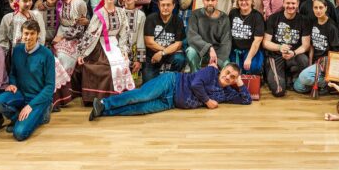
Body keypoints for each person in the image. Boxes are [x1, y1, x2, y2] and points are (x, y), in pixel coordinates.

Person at [89, 61, 250, 119]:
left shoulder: (227, 93)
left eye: (232, 77)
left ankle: (103, 112)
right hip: (172, 82)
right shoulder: (211, 72)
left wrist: (240, 83)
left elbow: (246, 100)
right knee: (142, 96)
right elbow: (195, 84)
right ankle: (104, 103)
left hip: (170, 102)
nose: (228, 77)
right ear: (222, 70)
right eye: (227, 72)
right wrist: (207, 101)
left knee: (140, 109)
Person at [0, 19, 55, 141]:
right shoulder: (17, 50)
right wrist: (13, 84)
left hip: (37, 98)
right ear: (21, 34)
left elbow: (50, 87)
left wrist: (31, 105)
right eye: (26, 33)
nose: (28, 37)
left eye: (32, 33)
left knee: (20, 134)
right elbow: (13, 73)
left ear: (38, 34)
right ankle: (20, 118)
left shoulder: (47, 54)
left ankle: (42, 114)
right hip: (20, 94)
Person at [75, 0, 136, 105]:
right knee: (107, 68)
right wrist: (82, 53)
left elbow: (124, 32)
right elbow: (90, 34)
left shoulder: (121, 12)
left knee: (123, 64)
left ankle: (121, 97)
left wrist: (124, 50)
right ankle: (101, 98)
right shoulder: (99, 14)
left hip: (116, 44)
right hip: (100, 45)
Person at [263, 0, 311, 97]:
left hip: (294, 55)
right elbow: (265, 43)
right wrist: (279, 47)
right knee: (279, 91)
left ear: (297, 4)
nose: (290, 6)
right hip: (276, 56)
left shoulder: (304, 20)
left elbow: (306, 45)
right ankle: (278, 77)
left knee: (304, 59)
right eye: (288, 3)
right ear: (283, 3)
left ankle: (292, 78)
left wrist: (294, 53)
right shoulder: (273, 18)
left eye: (293, 3)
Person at [294, 0, 339, 95]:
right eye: (316, 8)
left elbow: (336, 51)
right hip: (315, 62)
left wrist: (329, 70)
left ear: (326, 8)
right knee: (298, 87)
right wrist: (310, 62)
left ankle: (330, 84)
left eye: (321, 7)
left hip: (325, 62)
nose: (318, 10)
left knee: (303, 77)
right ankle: (320, 84)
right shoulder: (313, 23)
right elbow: (312, 45)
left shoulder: (331, 27)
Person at [143, 0, 187, 82]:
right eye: (163, 5)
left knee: (180, 59)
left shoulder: (178, 21)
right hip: (153, 56)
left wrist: (162, 53)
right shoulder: (151, 18)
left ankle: (171, 79)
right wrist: (166, 50)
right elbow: (149, 42)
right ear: (159, 6)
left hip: (170, 55)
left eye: (168, 5)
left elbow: (178, 44)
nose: (165, 8)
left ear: (173, 6)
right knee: (148, 83)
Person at [186, 0, 231, 71]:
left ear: (217, 1)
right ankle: (195, 76)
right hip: (200, 50)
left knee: (227, 66)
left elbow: (226, 43)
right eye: (207, 0)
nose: (210, 3)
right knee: (191, 52)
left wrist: (217, 62)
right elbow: (192, 37)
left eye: (213, 0)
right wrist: (209, 48)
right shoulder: (195, 15)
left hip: (218, 53)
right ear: (203, 1)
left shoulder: (224, 18)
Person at [228, 0, 265, 75]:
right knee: (234, 72)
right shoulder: (233, 13)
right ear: (238, 2)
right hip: (235, 50)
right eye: (241, 0)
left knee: (253, 68)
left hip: (250, 49)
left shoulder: (257, 16)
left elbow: (258, 40)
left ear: (251, 1)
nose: (244, 2)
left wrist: (249, 58)